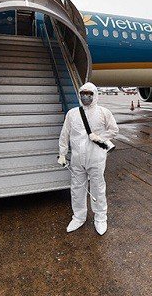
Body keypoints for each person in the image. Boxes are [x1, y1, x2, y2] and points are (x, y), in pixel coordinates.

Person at [58, 82, 119, 235]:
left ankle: (100, 217)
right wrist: (62, 153)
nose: (86, 96)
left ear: (95, 95)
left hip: (96, 157)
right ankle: (78, 217)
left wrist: (99, 137)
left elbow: (114, 130)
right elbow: (65, 134)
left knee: (97, 188)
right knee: (77, 188)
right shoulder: (72, 114)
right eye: (83, 93)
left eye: (89, 94)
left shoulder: (103, 112)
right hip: (77, 158)